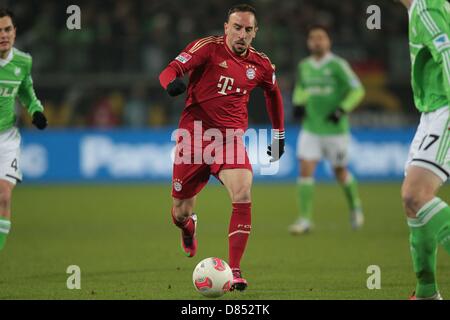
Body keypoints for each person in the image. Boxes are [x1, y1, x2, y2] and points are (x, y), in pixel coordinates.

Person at [158, 4, 284, 291]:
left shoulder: (261, 64)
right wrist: (171, 84)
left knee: (242, 194)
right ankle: (188, 228)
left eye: (248, 29)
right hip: (193, 140)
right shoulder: (207, 48)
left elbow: (273, 94)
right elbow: (170, 69)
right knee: (180, 212)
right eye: (236, 27)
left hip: (229, 141)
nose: (241, 34)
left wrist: (279, 136)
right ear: (226, 27)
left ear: (255, 33)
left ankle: (235, 270)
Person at [288, 25, 365, 235]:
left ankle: (355, 206)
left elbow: (357, 89)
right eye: (312, 38)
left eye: (321, 38)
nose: (316, 41)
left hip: (335, 130)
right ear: (308, 42)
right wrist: (297, 103)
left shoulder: (338, 65)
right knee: (305, 169)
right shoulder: (304, 66)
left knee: (340, 172)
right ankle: (305, 220)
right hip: (311, 128)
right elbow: (302, 87)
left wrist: (342, 109)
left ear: (328, 41)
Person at [397, 0, 450, 300]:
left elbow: (447, 52)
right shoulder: (418, 9)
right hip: (429, 113)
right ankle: (427, 293)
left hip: (444, 108)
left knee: (415, 195)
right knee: (412, 205)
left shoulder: (426, 6)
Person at [0, 8, 48, 252]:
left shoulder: (23, 61)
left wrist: (36, 111)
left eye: (7, 29)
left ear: (15, 32)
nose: (3, 35)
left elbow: (26, 92)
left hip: (7, 138)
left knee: (4, 196)